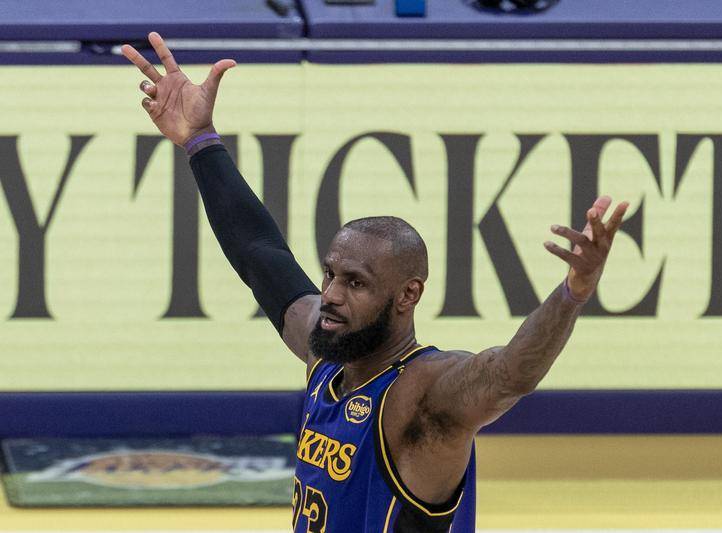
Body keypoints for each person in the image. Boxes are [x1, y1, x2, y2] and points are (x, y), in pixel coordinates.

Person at [122, 32, 629, 533]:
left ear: (408, 295)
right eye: (330, 275)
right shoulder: (328, 360)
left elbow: (508, 374)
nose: (331, 295)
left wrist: (574, 292)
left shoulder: (424, 395)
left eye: (356, 283)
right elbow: (259, 254)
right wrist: (201, 142)